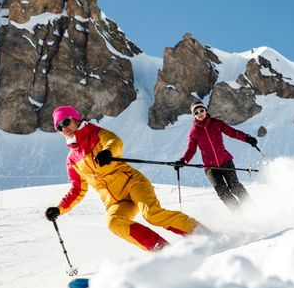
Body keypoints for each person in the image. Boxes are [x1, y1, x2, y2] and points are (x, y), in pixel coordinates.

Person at [45, 105, 202, 251]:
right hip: (115, 201)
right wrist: (59, 209)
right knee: (113, 223)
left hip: (132, 183)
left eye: (66, 121)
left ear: (76, 119)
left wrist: (108, 152)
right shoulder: (72, 159)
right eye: (59, 127)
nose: (64, 128)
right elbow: (77, 189)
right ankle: (160, 248)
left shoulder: (96, 133)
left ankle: (199, 232)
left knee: (152, 214)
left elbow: (115, 142)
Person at [175, 101, 257, 210]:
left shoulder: (217, 123)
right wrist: (183, 161)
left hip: (225, 161)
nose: (200, 113)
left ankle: (252, 209)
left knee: (235, 186)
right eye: (196, 112)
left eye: (201, 110)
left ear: (206, 111)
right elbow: (191, 150)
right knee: (222, 191)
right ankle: (238, 213)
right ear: (193, 115)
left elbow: (232, 132)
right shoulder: (194, 132)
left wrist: (247, 138)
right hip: (210, 168)